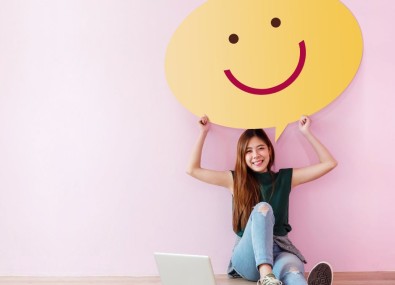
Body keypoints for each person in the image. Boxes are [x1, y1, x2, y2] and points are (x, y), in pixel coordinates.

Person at [186, 115, 337, 285]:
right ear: (242, 156)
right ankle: (266, 276)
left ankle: (286, 281)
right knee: (263, 208)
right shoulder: (235, 181)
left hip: (280, 250)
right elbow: (192, 170)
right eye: (248, 151)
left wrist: (306, 132)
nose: (256, 155)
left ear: (270, 150)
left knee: (293, 272)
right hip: (248, 257)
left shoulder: (285, 178)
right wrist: (203, 132)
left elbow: (329, 163)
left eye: (260, 148)